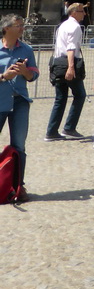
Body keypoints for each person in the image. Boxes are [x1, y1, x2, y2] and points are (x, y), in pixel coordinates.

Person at [0, 14, 39, 196]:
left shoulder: (27, 50)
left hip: (20, 101)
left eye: (23, 25)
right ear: (6, 28)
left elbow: (33, 77)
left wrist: (25, 72)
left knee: (19, 146)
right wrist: (3, 76)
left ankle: (18, 186)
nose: (22, 28)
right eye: (18, 25)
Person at [45, 2, 87, 141]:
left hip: (58, 63)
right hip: (68, 64)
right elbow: (71, 47)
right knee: (80, 95)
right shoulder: (75, 26)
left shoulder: (62, 25)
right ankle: (69, 128)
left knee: (60, 98)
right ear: (74, 12)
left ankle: (51, 131)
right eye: (82, 11)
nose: (84, 14)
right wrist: (71, 67)